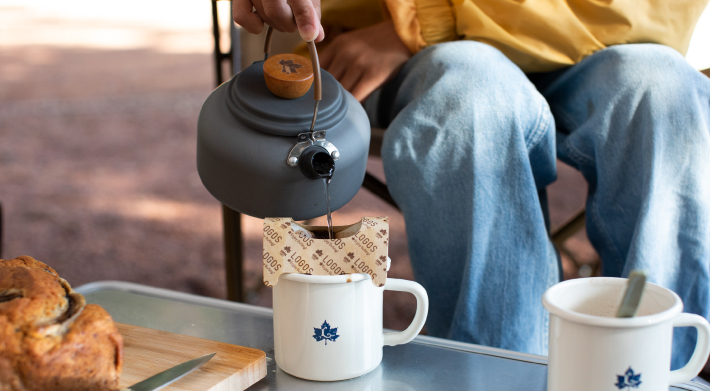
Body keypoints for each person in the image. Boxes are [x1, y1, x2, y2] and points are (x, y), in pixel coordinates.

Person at [234, 0, 710, 367]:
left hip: (601, 39)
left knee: (664, 89)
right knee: (472, 95)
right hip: (405, 53)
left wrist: (418, 21)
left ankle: (655, 381)